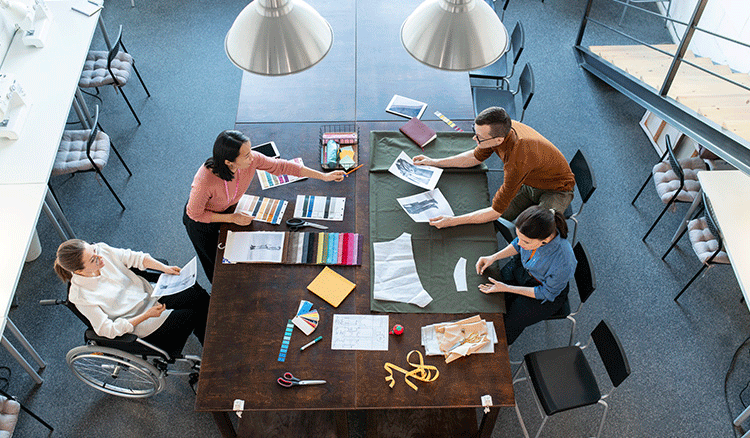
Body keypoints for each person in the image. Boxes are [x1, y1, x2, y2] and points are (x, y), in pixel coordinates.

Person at [184, 130, 346, 282]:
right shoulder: (205, 180)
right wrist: (232, 218)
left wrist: (324, 177)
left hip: (228, 209)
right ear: (229, 162)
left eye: (250, 151)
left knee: (236, 260)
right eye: (246, 156)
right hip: (201, 222)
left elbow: (282, 166)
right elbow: (194, 214)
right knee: (215, 264)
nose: (252, 158)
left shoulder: (252, 159)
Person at [412, 107, 575, 229]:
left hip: (556, 190)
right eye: (474, 132)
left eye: (480, 138)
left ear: (498, 141)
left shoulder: (518, 160)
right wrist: (433, 162)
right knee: (494, 222)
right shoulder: (500, 131)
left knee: (536, 229)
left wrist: (452, 221)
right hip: (530, 182)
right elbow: (474, 157)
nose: (474, 138)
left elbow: (495, 211)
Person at [54, 239, 209, 357]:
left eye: (93, 249)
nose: (99, 256)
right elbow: (106, 329)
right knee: (194, 315)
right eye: (93, 259)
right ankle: (211, 344)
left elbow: (135, 258)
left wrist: (164, 268)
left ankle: (210, 334)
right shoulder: (80, 296)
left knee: (197, 294)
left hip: (151, 295)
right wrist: (146, 315)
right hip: (143, 321)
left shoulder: (100, 251)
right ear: (79, 270)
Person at [475, 206, 576, 345]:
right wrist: (493, 257)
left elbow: (546, 293)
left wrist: (507, 288)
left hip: (542, 292)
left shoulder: (564, 261)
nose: (520, 244)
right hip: (523, 269)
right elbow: (517, 244)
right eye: (519, 237)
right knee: (489, 297)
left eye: (526, 242)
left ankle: (500, 346)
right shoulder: (529, 237)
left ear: (545, 240)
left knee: (507, 323)